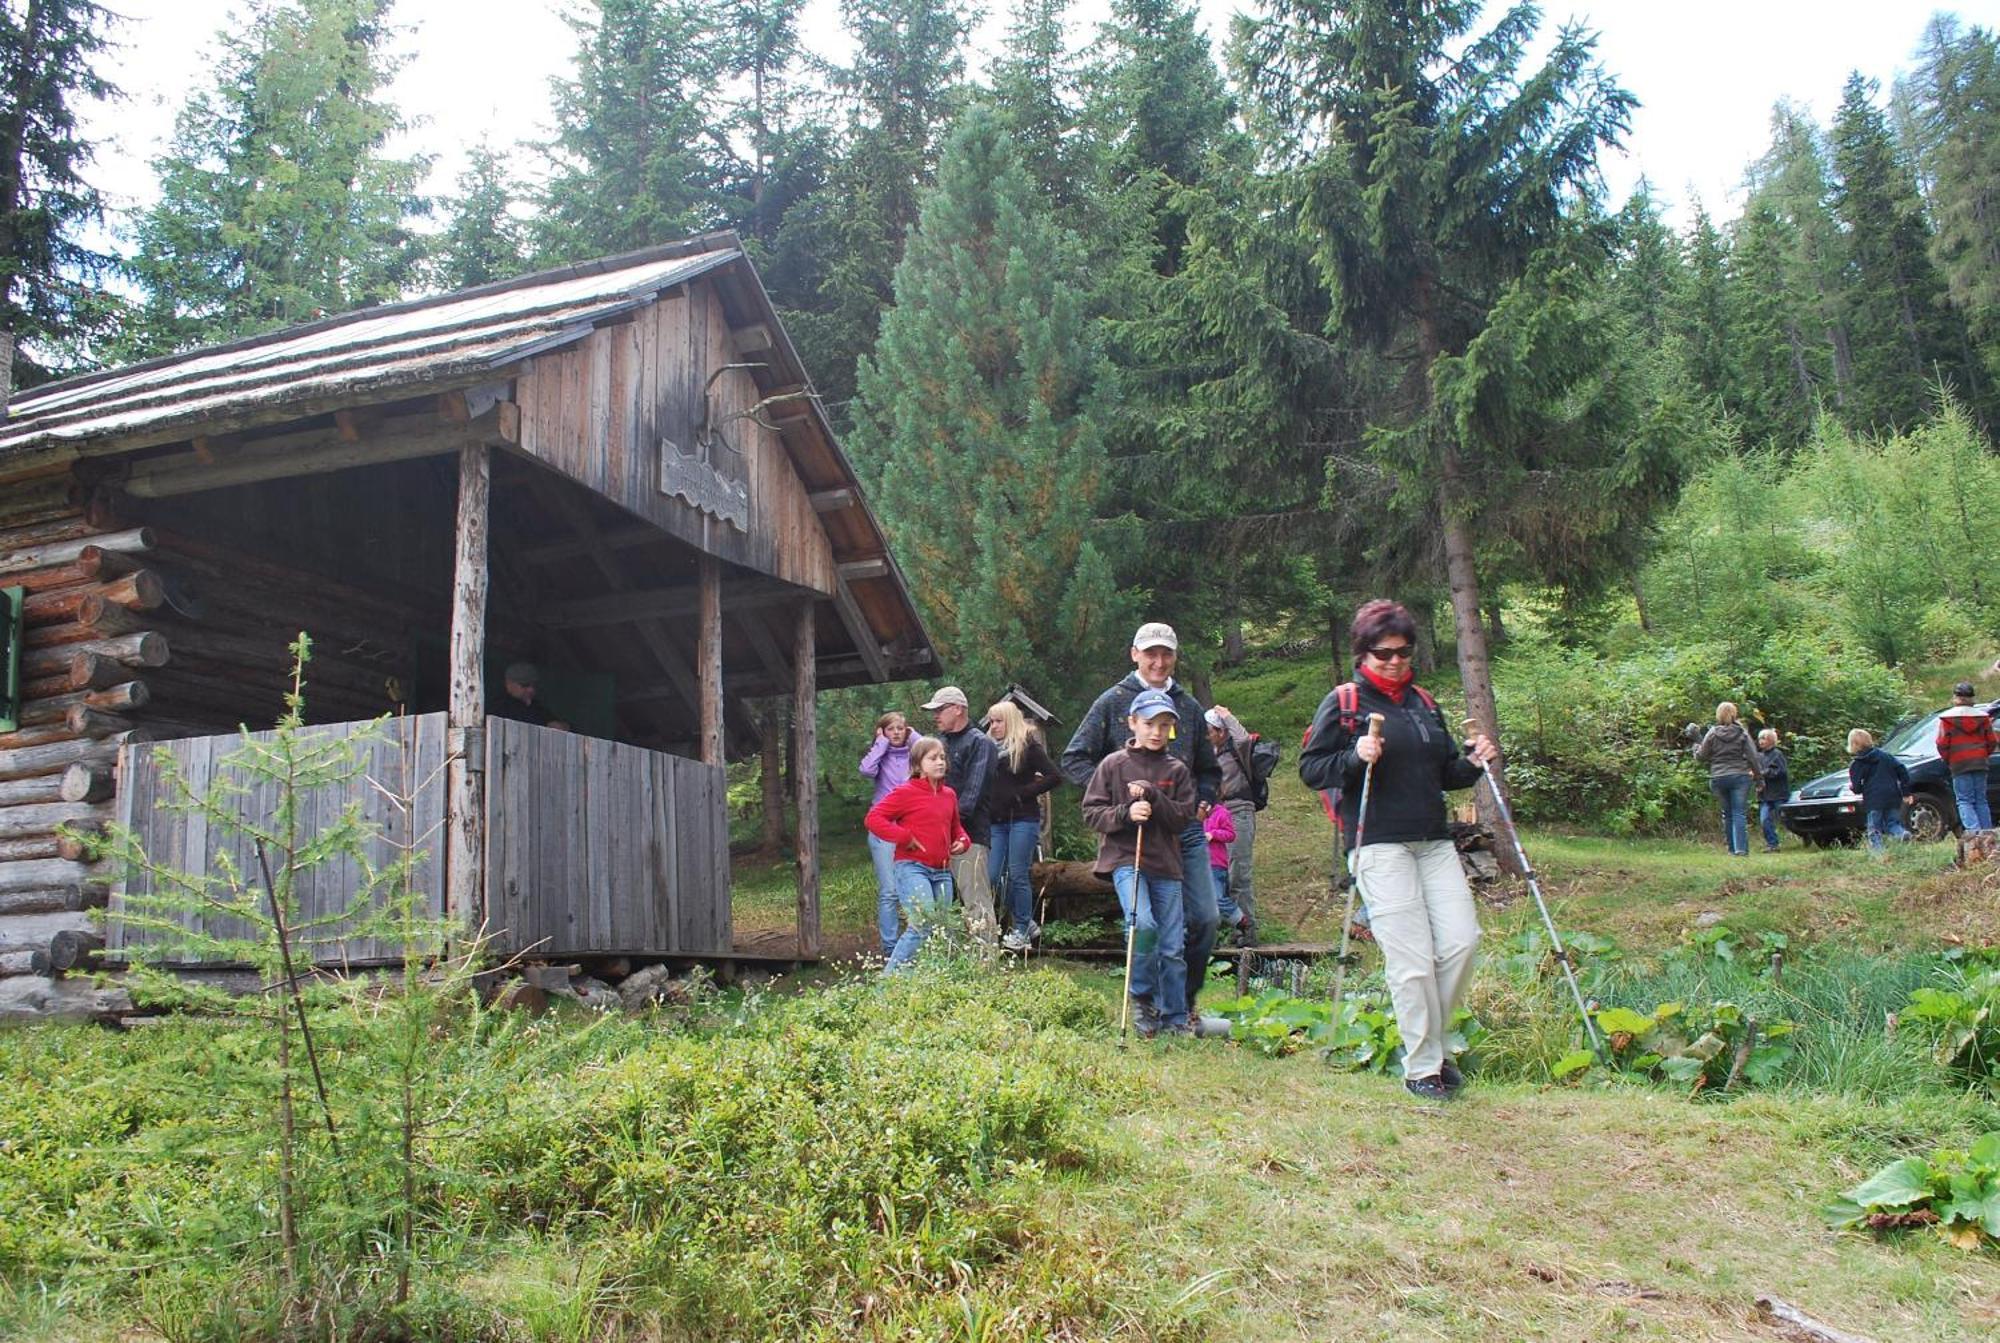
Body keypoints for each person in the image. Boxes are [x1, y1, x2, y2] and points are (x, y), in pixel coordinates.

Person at [1298, 599, 1498, 1102]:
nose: (1393, 661)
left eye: (1403, 651)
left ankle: (1431, 1045)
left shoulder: (1424, 703)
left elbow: (1446, 771)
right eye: (1382, 652)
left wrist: (1474, 762)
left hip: (1432, 839)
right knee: (1410, 960)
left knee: (1461, 942)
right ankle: (1424, 1067)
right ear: (1363, 652)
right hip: (1377, 842)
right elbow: (1312, 769)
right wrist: (1354, 756)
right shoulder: (1345, 701)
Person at [1061, 622, 1223, 1010]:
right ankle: (1147, 1002)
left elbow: (1209, 769)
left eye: (1166, 653)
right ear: (1135, 654)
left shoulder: (1188, 707)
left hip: (1182, 829)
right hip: (1134, 836)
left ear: (1174, 658)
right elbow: (1073, 759)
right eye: (1151, 653)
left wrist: (1202, 800)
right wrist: (1114, 798)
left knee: (1206, 918)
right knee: (1145, 924)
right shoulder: (1114, 701)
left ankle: (1182, 1002)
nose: (1159, 661)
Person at [1082, 689, 1198, 1036]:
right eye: (1149, 723)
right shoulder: (1113, 765)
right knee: (1143, 925)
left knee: (1174, 945)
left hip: (1167, 865)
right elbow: (1091, 812)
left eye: (1165, 725)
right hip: (1125, 860)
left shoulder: (1177, 770)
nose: (1157, 732)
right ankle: (1141, 997)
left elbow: (1183, 817)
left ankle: (1174, 1016)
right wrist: (1126, 812)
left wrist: (1154, 796)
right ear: (1132, 723)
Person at [865, 737, 969, 971]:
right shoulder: (906, 792)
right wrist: (903, 837)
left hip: (942, 871)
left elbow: (956, 828)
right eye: (933, 758)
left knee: (942, 927)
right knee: (922, 923)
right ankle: (888, 983)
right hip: (912, 867)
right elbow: (873, 819)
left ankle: (925, 981)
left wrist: (963, 841)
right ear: (917, 764)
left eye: (942, 757)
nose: (940, 762)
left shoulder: (949, 795)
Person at [923, 685, 999, 946]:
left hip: (971, 836)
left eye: (940, 710)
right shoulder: (940, 743)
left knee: (976, 900)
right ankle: (949, 963)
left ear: (958, 709)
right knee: (941, 904)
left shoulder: (981, 742)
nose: (936, 716)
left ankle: (985, 964)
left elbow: (972, 797)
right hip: (938, 836)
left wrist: (943, 825)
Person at [984, 700, 1061, 952]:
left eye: (999, 721)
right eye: (991, 721)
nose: (994, 726)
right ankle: (1026, 921)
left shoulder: (1028, 746)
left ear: (1011, 721)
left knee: (1018, 873)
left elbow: (1054, 776)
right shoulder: (988, 749)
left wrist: (1023, 793)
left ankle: (1020, 930)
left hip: (1023, 819)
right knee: (994, 875)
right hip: (996, 821)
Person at [859, 711, 914, 959]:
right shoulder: (880, 755)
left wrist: (913, 737)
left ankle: (914, 942)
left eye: (901, 728)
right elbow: (866, 770)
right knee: (890, 890)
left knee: (912, 888)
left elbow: (930, 752)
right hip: (884, 829)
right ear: (882, 732)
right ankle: (890, 947)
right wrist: (880, 743)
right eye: (890, 729)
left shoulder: (914, 754)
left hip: (911, 828)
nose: (896, 732)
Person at [1206, 705, 1259, 946]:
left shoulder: (1236, 749)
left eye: (1209, 730)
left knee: (1238, 873)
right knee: (1215, 875)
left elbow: (1245, 738)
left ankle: (1246, 932)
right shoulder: (1207, 755)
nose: (1205, 735)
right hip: (1214, 814)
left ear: (1220, 731)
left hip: (1238, 812)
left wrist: (1229, 716)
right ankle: (1218, 932)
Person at [1693, 703, 1758, 857]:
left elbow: (1702, 757)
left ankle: (1731, 849)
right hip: (1740, 775)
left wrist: (1695, 748)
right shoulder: (1742, 733)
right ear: (1734, 714)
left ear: (1718, 715)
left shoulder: (1712, 733)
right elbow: (1753, 757)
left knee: (1727, 814)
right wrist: (1759, 777)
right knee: (1738, 813)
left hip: (1718, 776)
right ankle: (1741, 849)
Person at [1936, 682, 1997, 837]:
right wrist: (1983, 754)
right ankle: (1987, 833)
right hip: (1980, 762)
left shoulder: (1947, 719)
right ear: (1972, 698)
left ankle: (1973, 834)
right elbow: (1992, 741)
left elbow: (1941, 743)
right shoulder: (1983, 718)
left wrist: (1949, 759)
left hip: (1959, 763)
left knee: (1964, 800)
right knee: (1981, 800)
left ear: (1956, 697)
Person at [1847, 728, 1913, 852]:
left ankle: (1879, 855)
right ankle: (1901, 834)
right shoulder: (1886, 756)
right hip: (1893, 795)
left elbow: (1856, 788)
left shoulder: (1857, 764)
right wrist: (1906, 792)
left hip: (1874, 799)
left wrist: (1856, 788)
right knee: (1892, 823)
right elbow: (1902, 770)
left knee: (1874, 829)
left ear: (1854, 745)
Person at [490, 661, 569, 730]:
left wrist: (561, 726)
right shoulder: (499, 707)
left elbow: (559, 724)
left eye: (533, 685)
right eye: (525, 685)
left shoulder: (536, 707)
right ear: (509, 684)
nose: (531, 689)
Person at [1204, 797, 1238, 934]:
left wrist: (1213, 834)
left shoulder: (1222, 813)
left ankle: (1240, 920)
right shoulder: (1193, 814)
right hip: (1199, 865)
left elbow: (1231, 835)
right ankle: (1211, 936)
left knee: (1218, 898)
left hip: (1216, 864)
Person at [1757, 728, 1790, 853]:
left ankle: (1805, 835)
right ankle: (1772, 844)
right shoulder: (1759, 756)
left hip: (1778, 794)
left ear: (1771, 740)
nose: (1761, 741)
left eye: (1764, 738)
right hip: (1764, 795)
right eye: (1760, 738)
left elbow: (1781, 772)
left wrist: (1764, 773)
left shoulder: (1777, 754)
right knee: (1764, 820)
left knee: (1787, 820)